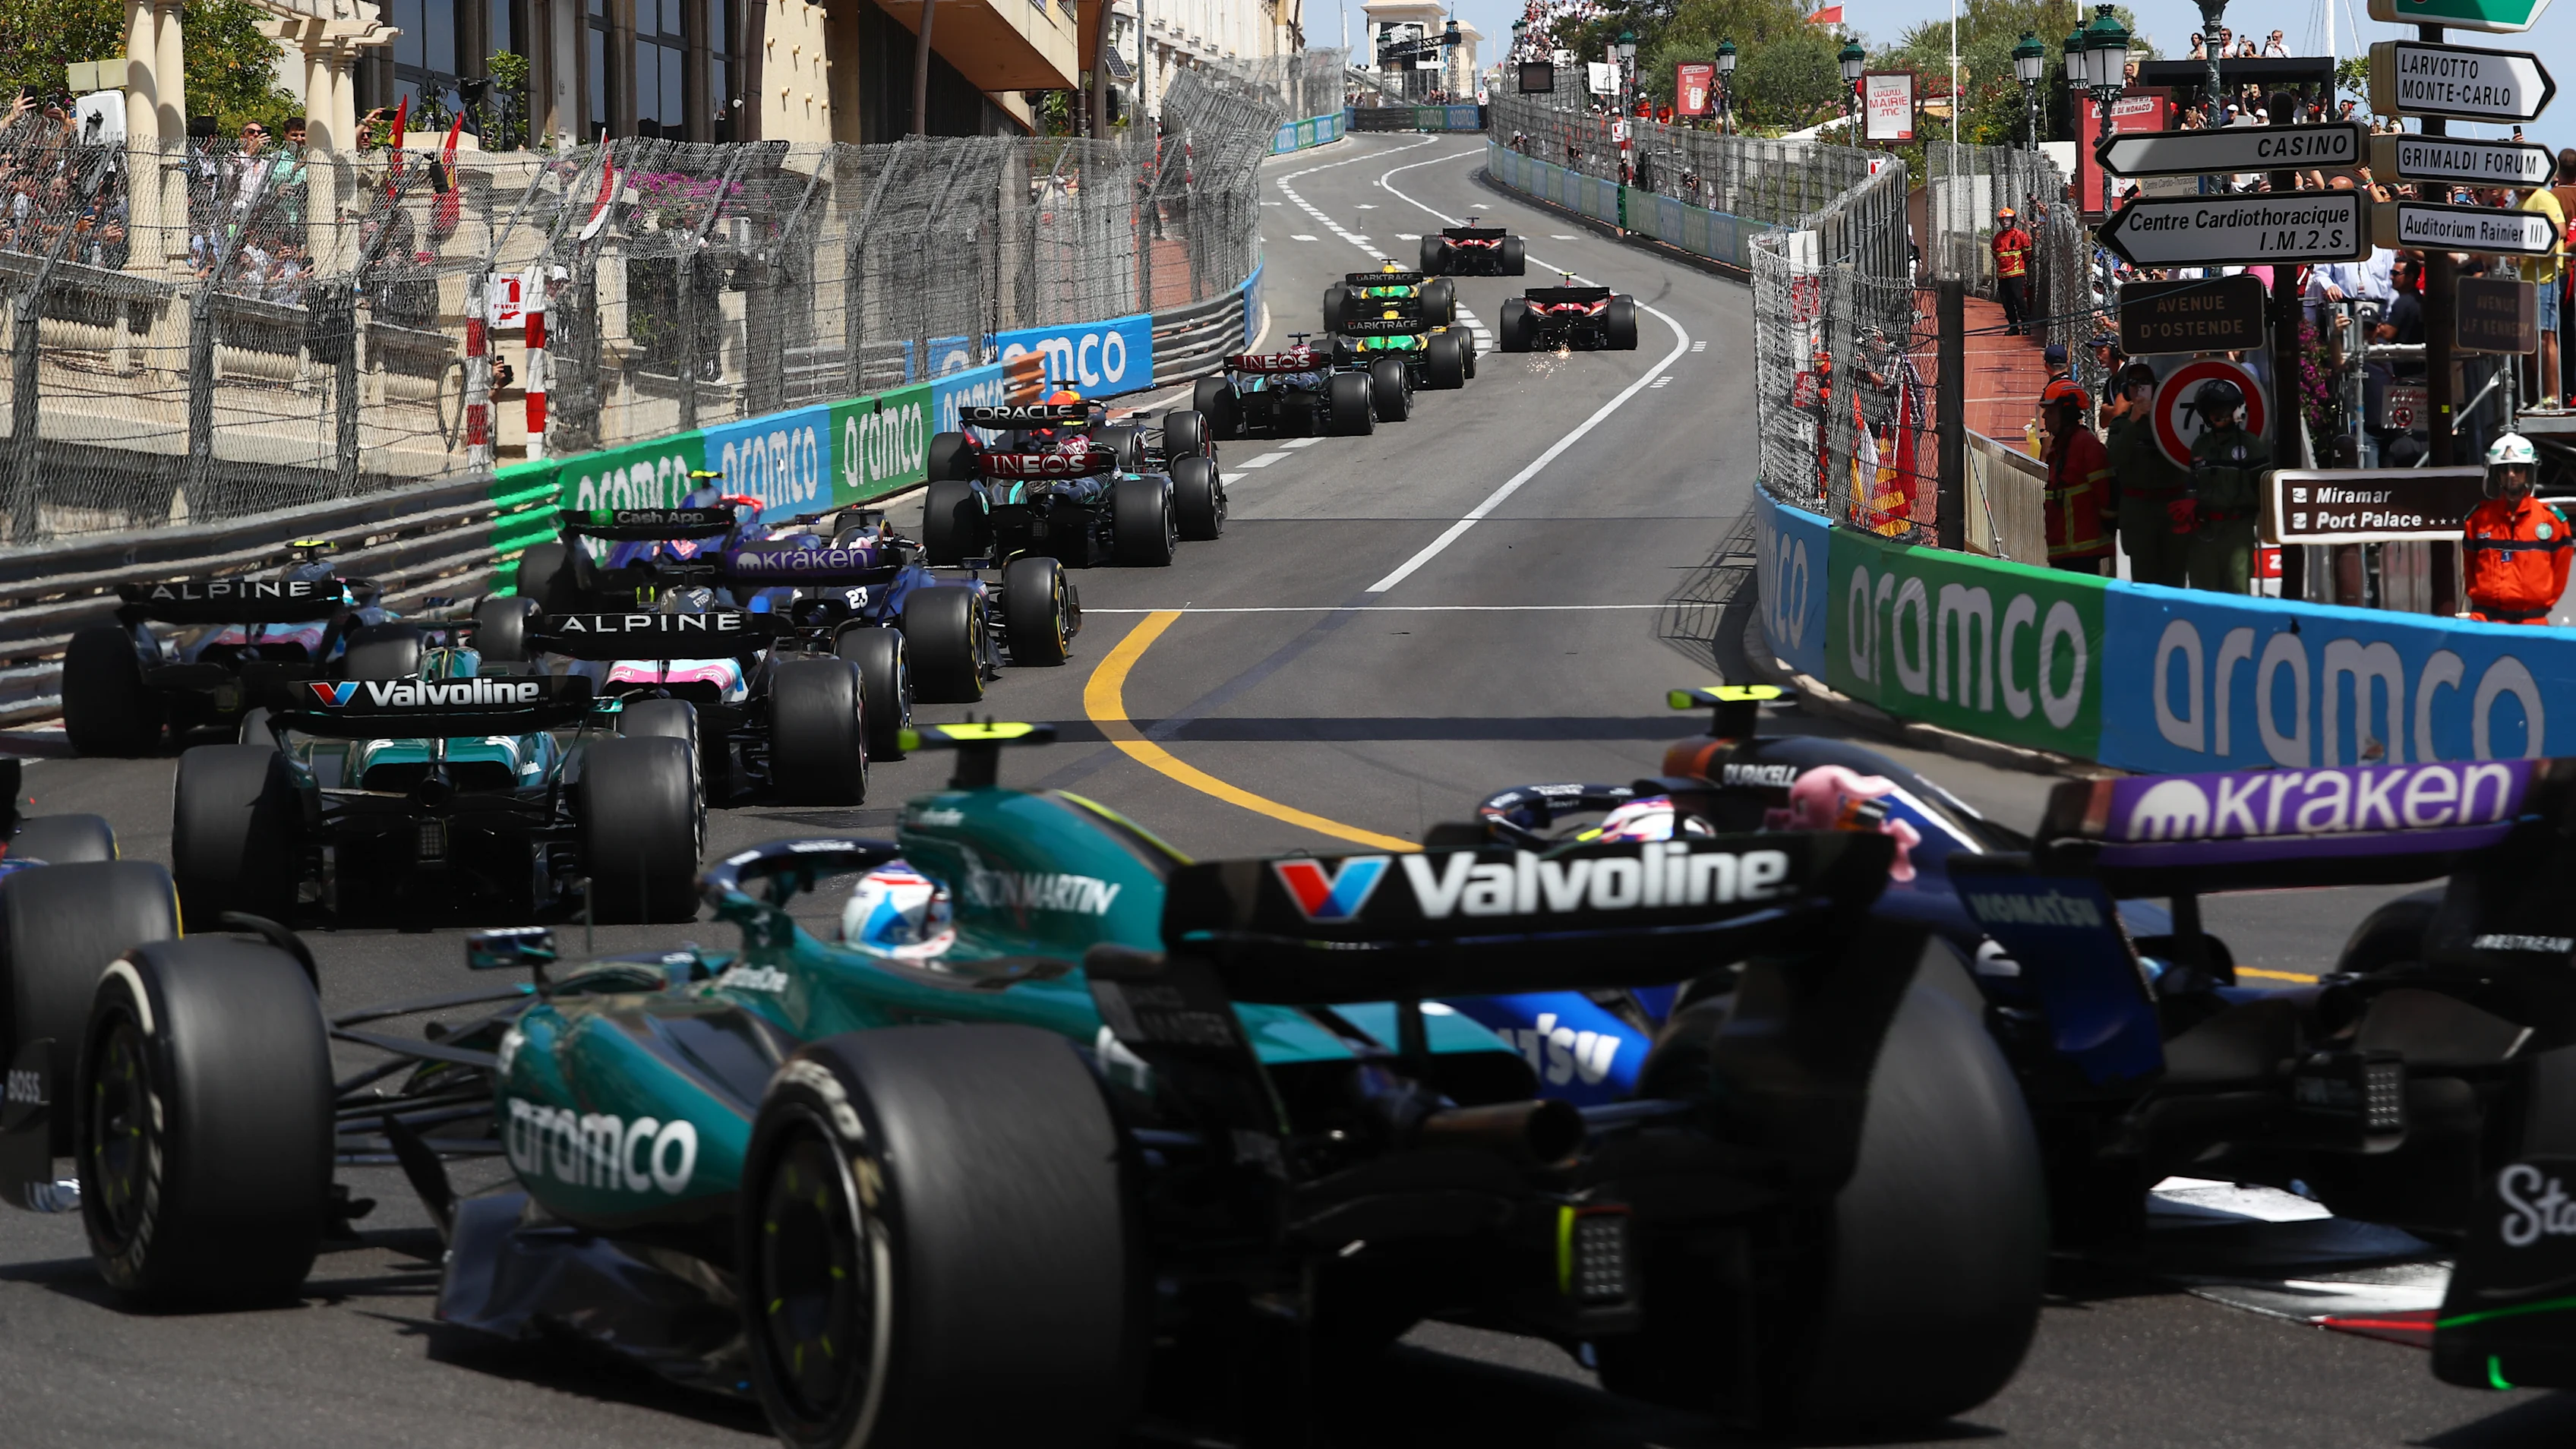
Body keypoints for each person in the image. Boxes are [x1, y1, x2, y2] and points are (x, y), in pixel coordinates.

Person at [2462, 434, 2572, 623]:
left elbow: (2559, 574)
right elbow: (2470, 570)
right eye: (2504, 469)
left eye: (2518, 469)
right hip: (2485, 622)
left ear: (2528, 472)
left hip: (2532, 623)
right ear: (2497, 474)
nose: (2511, 474)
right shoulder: (2478, 520)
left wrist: (2537, 602)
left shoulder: (2552, 521)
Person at [2103, 362, 2189, 586]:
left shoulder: (2171, 419)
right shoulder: (2121, 424)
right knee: (2143, 580)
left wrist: (2157, 416)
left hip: (2171, 506)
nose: (2139, 387)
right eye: (2133, 383)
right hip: (2139, 510)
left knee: (2174, 578)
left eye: (2145, 383)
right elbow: (2114, 458)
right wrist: (2134, 420)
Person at [2181, 377, 2270, 593]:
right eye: (2213, 409)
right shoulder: (2200, 445)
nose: (2218, 414)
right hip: (2205, 531)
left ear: (2236, 410)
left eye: (2224, 408)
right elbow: (2194, 482)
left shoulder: (2251, 446)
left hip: (2237, 530)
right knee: (2203, 592)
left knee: (2238, 590)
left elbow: (2264, 491)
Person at [2040, 380, 2114, 573]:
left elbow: (2107, 498)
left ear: (2066, 413)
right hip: (2063, 552)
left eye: (2051, 411)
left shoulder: (2086, 447)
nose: (2044, 416)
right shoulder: (2060, 449)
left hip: (2082, 556)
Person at [2518, 182, 2564, 409]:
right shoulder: (2520, 205)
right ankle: (2542, 395)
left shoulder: (2543, 198)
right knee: (2532, 342)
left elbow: (2560, 230)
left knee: (2546, 337)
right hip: (2526, 283)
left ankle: (2553, 397)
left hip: (2545, 278)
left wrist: (2529, 253)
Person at [1993, 207, 2031, 335]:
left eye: (2008, 220)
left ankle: (2026, 326)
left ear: (2013, 220)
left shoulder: (2020, 235)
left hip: (2016, 274)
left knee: (2019, 299)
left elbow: (2027, 254)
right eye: (2003, 220)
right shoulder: (1998, 238)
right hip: (2002, 275)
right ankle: (2013, 327)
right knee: (2006, 302)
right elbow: (1995, 254)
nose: (2005, 222)